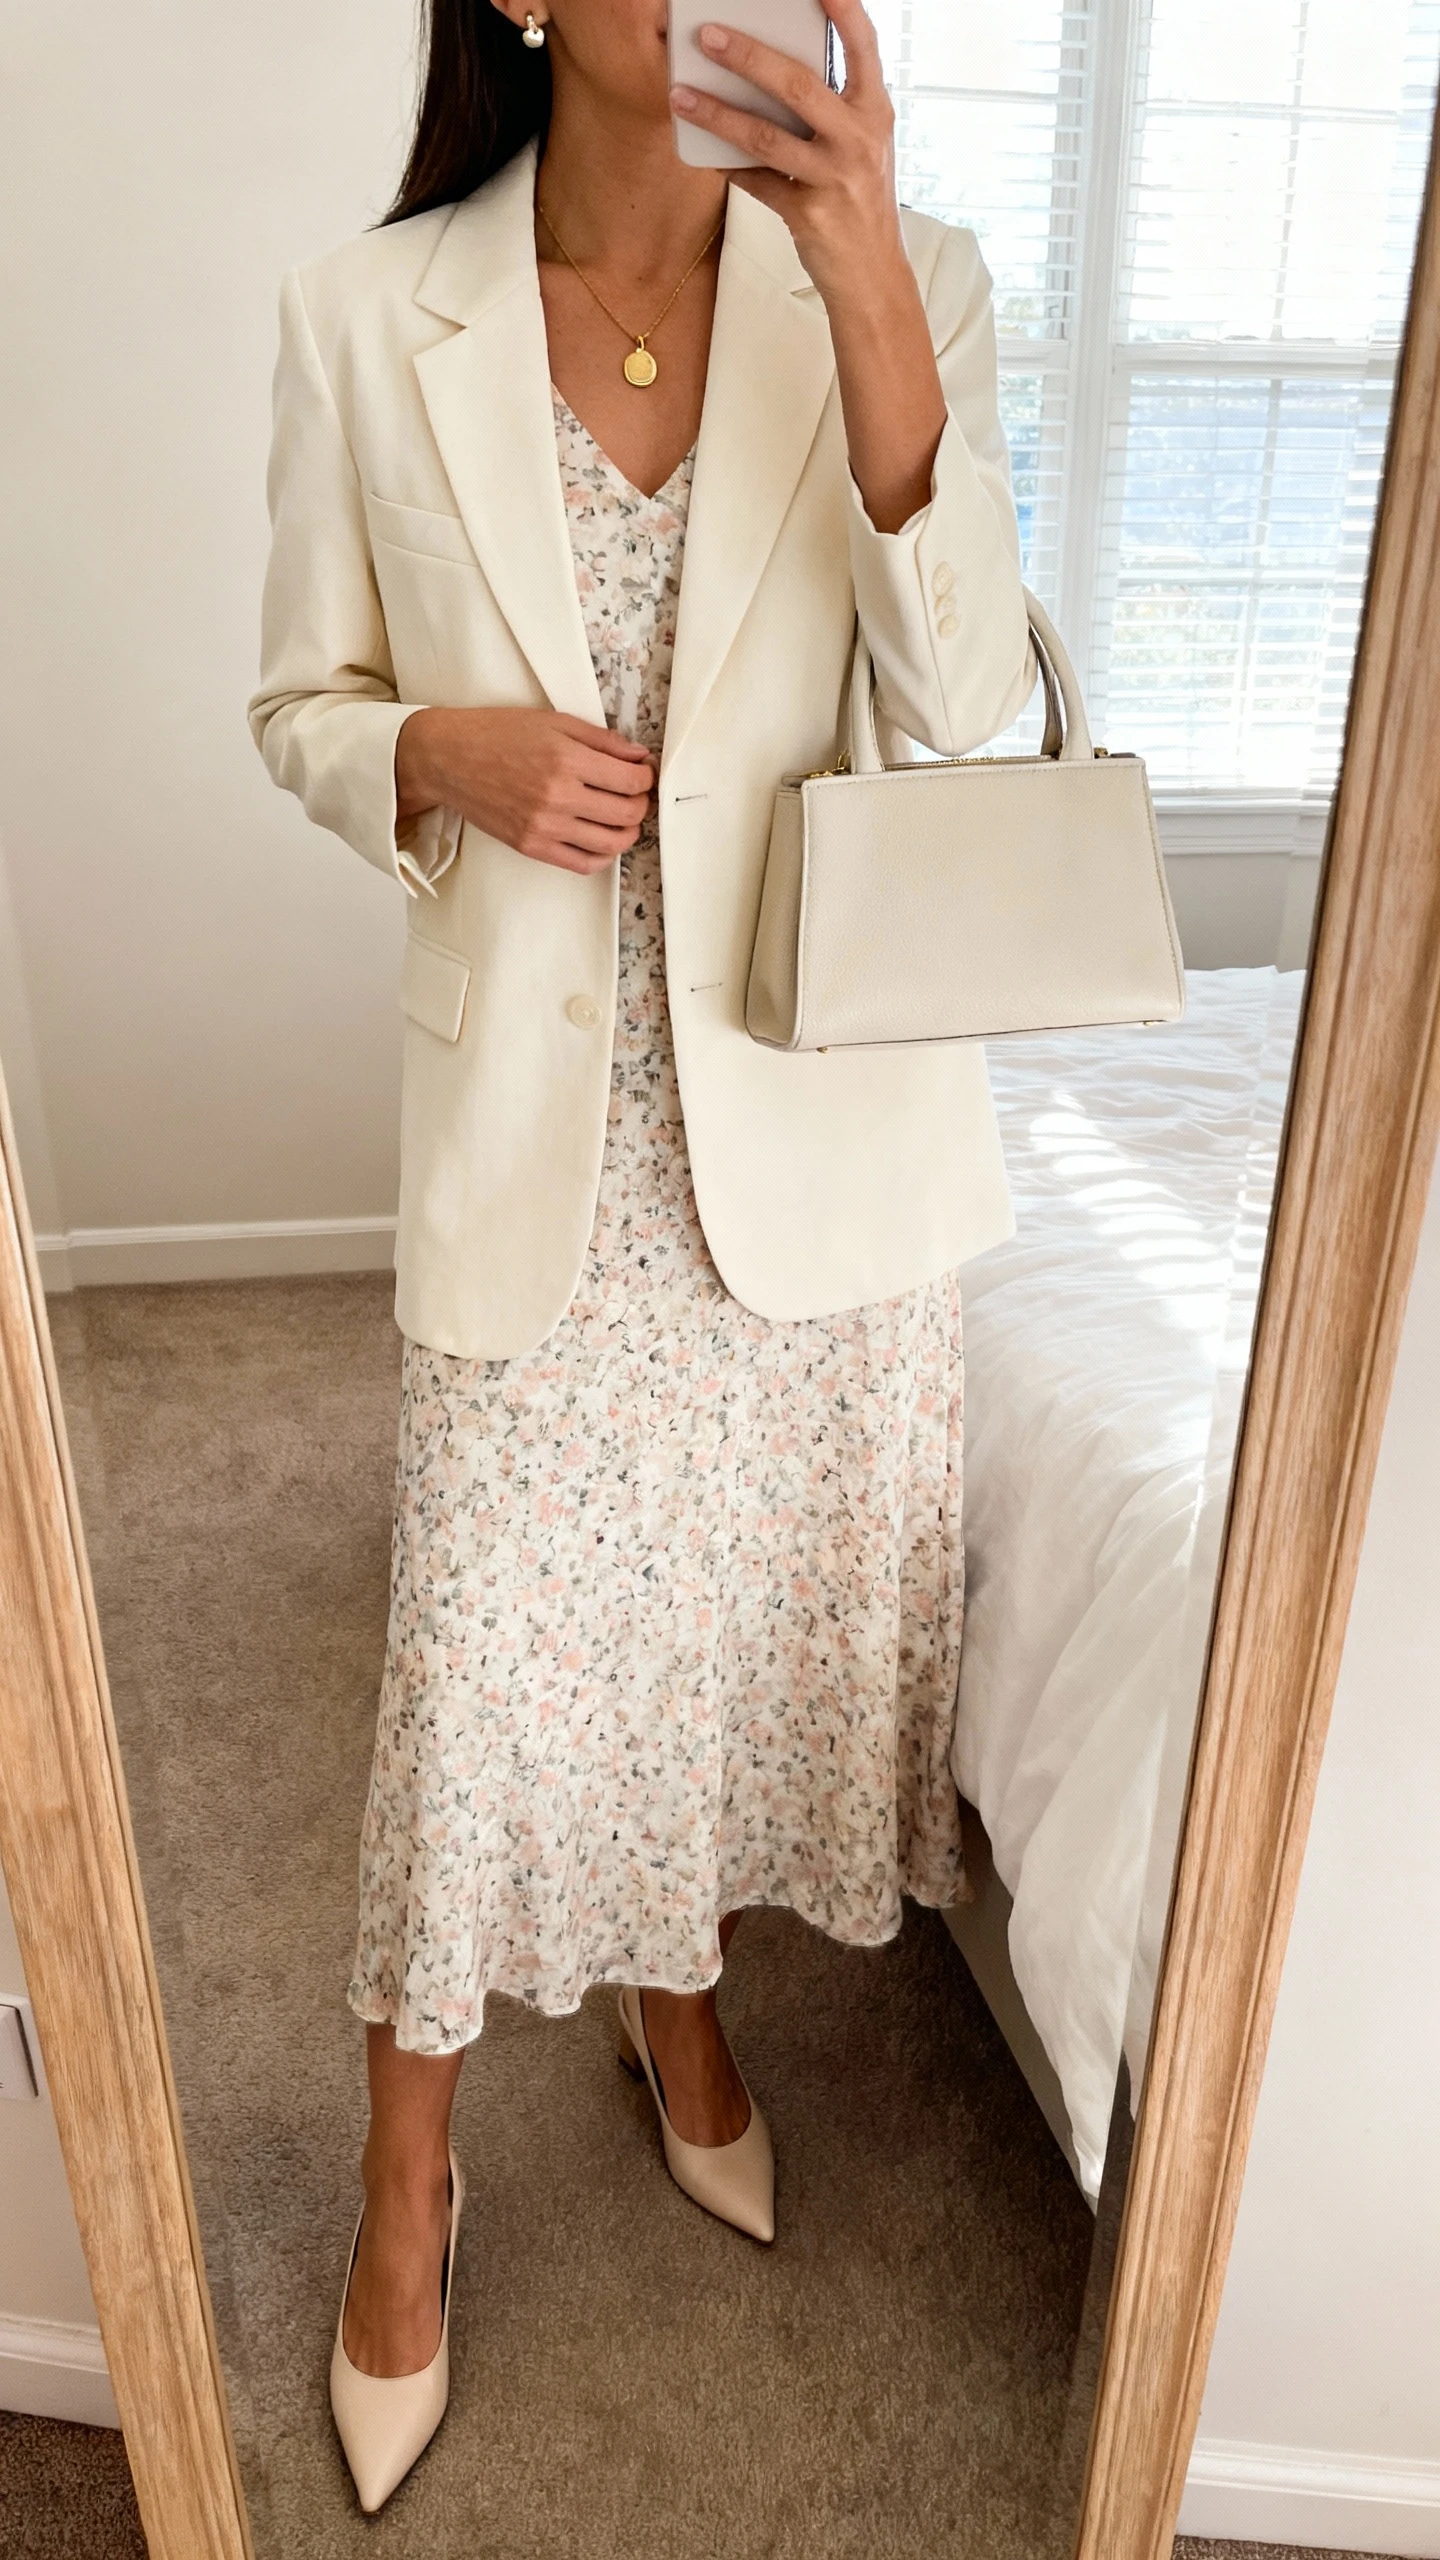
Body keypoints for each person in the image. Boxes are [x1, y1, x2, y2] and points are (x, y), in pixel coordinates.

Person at [249, 0, 1032, 2511]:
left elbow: (975, 712)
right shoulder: (372, 314)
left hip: (812, 1131)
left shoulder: (904, 279)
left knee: (703, 1628)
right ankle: (405, 2184)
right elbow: (298, 697)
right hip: (531, 1146)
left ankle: (679, 2001)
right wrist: (427, 758)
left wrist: (874, 280)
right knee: (478, 1674)